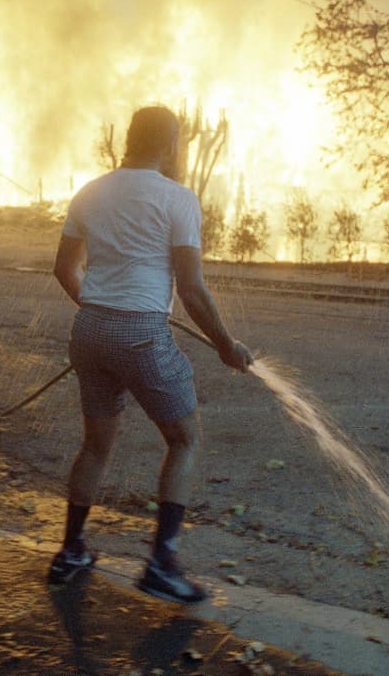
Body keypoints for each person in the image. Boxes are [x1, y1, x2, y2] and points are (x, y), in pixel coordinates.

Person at [49, 104, 253, 604]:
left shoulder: (90, 191)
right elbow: (192, 290)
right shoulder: (178, 198)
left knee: (95, 445)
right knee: (185, 439)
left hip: (89, 328)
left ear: (128, 139)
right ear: (170, 145)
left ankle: (70, 551)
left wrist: (101, 309)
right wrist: (227, 346)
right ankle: (162, 564)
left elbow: (64, 269)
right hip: (141, 333)